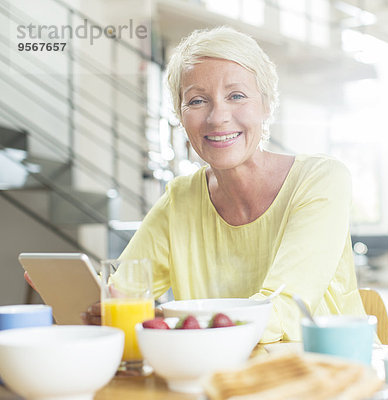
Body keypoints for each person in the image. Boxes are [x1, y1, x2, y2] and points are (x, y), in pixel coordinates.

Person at [71, 26, 365, 343]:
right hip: (215, 377)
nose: (217, 117)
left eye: (236, 96)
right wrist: (84, 296)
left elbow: (283, 310)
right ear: (180, 116)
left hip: (327, 374)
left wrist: (169, 321)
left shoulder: (321, 180)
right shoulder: (180, 198)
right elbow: (123, 289)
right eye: (197, 101)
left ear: (267, 105)